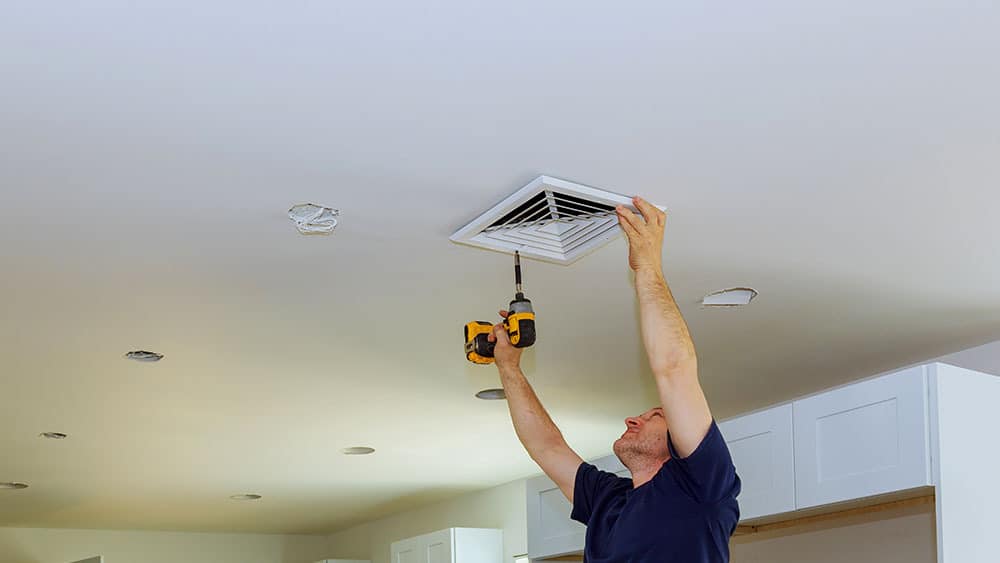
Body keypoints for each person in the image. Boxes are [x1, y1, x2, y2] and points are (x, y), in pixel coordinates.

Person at [490, 196, 741, 562]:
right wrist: (509, 368)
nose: (632, 419)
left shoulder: (702, 486)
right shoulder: (609, 499)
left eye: (655, 415)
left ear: (680, 441)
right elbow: (547, 447)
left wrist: (648, 267)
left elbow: (674, 370)